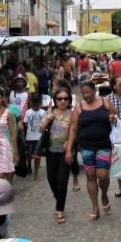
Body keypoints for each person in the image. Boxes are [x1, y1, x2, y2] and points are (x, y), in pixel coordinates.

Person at [66, 81, 119, 221]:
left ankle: (104, 194)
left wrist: (112, 118)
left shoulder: (105, 102)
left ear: (94, 90)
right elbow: (73, 128)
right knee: (90, 175)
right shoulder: (78, 108)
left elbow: (115, 115)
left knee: (102, 175)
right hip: (86, 146)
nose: (86, 95)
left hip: (104, 145)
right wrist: (69, 148)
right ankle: (95, 207)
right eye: (83, 93)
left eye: (88, 92)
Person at [42, 86, 75, 224]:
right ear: (55, 100)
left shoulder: (72, 114)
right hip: (50, 151)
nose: (63, 101)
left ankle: (60, 209)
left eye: (66, 99)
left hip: (64, 152)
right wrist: (47, 120)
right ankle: (58, 198)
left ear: (69, 100)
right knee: (51, 179)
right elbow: (40, 128)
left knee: (62, 181)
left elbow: (74, 131)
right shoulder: (50, 112)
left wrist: (69, 145)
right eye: (60, 99)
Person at [21, 95, 46, 180]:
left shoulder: (43, 112)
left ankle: (36, 172)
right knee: (29, 155)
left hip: (39, 137)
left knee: (37, 155)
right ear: (31, 103)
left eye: (37, 103)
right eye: (34, 103)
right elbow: (25, 123)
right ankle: (29, 165)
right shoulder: (28, 112)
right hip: (29, 137)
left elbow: (45, 123)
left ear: (40, 103)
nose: (36, 105)